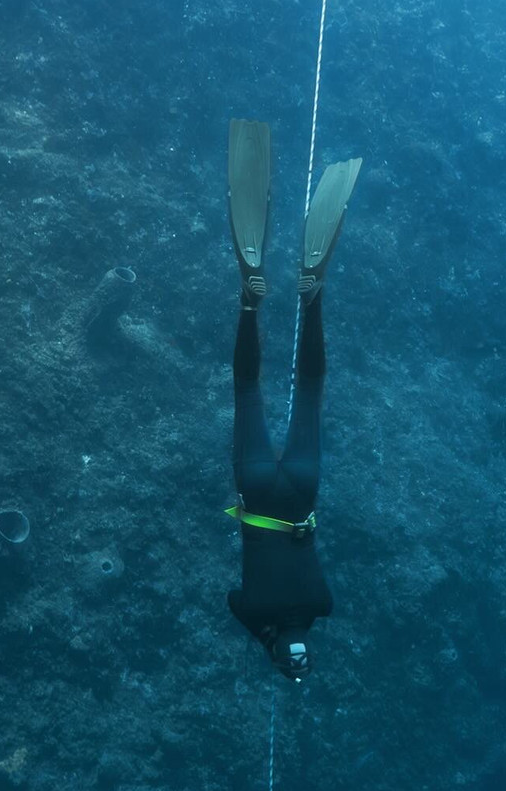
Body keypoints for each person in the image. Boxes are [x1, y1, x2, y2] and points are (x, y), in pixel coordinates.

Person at [224, 119, 361, 682]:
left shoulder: (323, 608)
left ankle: (312, 300)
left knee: (310, 391)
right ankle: (248, 303)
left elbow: (309, 610)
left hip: (302, 489)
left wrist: (291, 637)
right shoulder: (256, 617)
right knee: (247, 389)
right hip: (257, 491)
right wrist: (267, 640)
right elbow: (236, 599)